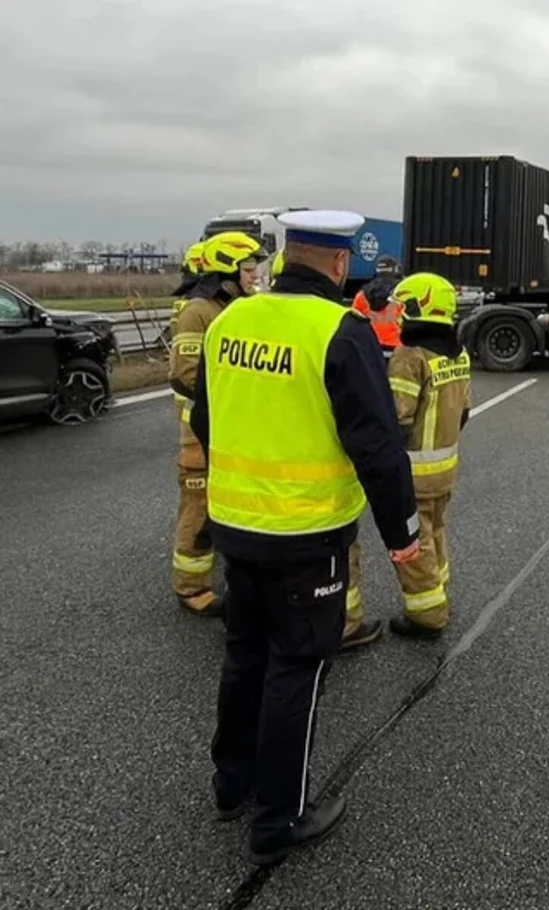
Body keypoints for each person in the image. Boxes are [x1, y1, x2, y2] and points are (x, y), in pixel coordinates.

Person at [190, 209, 421, 864]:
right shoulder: (339, 331)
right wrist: (401, 530)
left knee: (244, 656)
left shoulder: (231, 319)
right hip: (307, 533)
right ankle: (280, 818)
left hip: (237, 526)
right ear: (341, 264)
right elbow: (377, 443)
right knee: (297, 668)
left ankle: (230, 782)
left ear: (287, 255)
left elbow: (208, 419)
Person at [168, 231, 265, 618]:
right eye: (247, 268)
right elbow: (185, 373)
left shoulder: (239, 307)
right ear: (225, 270)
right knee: (199, 506)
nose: (254, 275)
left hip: (234, 429)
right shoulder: (199, 311)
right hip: (201, 429)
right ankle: (191, 586)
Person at [376, 272, 473, 640]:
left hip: (413, 472)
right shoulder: (457, 351)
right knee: (435, 530)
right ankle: (439, 588)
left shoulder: (409, 356)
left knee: (413, 543)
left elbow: (396, 418)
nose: (398, 313)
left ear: (419, 308)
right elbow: (464, 410)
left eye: (403, 306)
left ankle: (427, 614)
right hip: (445, 468)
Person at [351, 254, 403, 356]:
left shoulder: (361, 295)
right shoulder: (402, 294)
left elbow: (352, 323)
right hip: (398, 348)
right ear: (395, 270)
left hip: (370, 347)